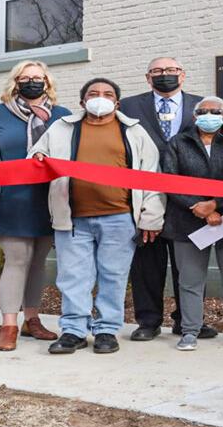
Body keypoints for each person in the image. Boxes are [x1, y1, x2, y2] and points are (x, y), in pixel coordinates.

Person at [32, 78, 165, 356]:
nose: (100, 97)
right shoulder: (62, 127)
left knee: (113, 276)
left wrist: (150, 216)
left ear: (117, 102)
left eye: (107, 94)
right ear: (82, 102)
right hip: (73, 218)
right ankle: (74, 331)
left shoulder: (134, 131)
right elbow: (37, 156)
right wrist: (40, 157)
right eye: (93, 93)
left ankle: (106, 330)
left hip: (119, 216)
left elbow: (151, 175)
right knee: (73, 276)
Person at [120, 57, 215, 341]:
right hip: (145, 194)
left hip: (189, 198)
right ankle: (148, 321)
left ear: (183, 76)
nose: (165, 75)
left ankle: (187, 319)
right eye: (158, 71)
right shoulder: (128, 106)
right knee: (147, 261)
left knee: (189, 263)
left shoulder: (202, 106)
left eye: (171, 70)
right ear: (148, 78)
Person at [0, 60, 72, 351]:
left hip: (49, 199)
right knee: (17, 258)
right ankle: (8, 324)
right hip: (11, 198)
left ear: (47, 82)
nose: (32, 82)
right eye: (25, 77)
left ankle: (32, 319)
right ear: (15, 81)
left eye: (38, 77)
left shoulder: (62, 115)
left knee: (38, 261)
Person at [161, 97, 223, 352]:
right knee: (190, 280)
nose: (208, 115)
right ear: (194, 117)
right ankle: (190, 331)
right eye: (202, 111)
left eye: (215, 111)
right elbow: (170, 180)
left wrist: (215, 205)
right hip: (187, 221)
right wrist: (199, 208)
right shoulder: (178, 143)